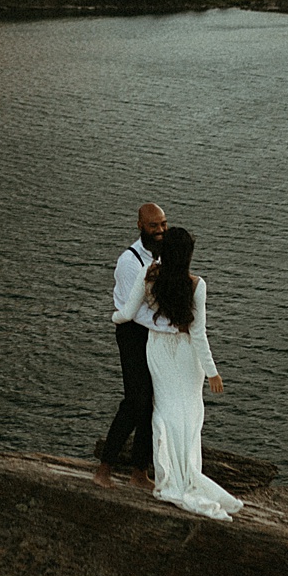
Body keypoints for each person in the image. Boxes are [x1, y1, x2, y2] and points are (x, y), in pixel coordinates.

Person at [113, 225, 243, 520]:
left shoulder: (148, 275)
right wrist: (212, 372)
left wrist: (113, 316)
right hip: (187, 357)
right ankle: (187, 472)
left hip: (158, 351)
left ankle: (166, 473)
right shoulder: (197, 284)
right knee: (189, 414)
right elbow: (198, 335)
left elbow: (128, 313)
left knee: (165, 411)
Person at [94, 202, 169, 490]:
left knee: (154, 403)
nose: (161, 230)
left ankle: (140, 471)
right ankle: (105, 466)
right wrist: (171, 326)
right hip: (132, 334)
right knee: (135, 401)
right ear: (140, 226)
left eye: (163, 224)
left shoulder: (162, 257)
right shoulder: (129, 261)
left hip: (154, 334)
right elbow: (133, 310)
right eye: (154, 225)